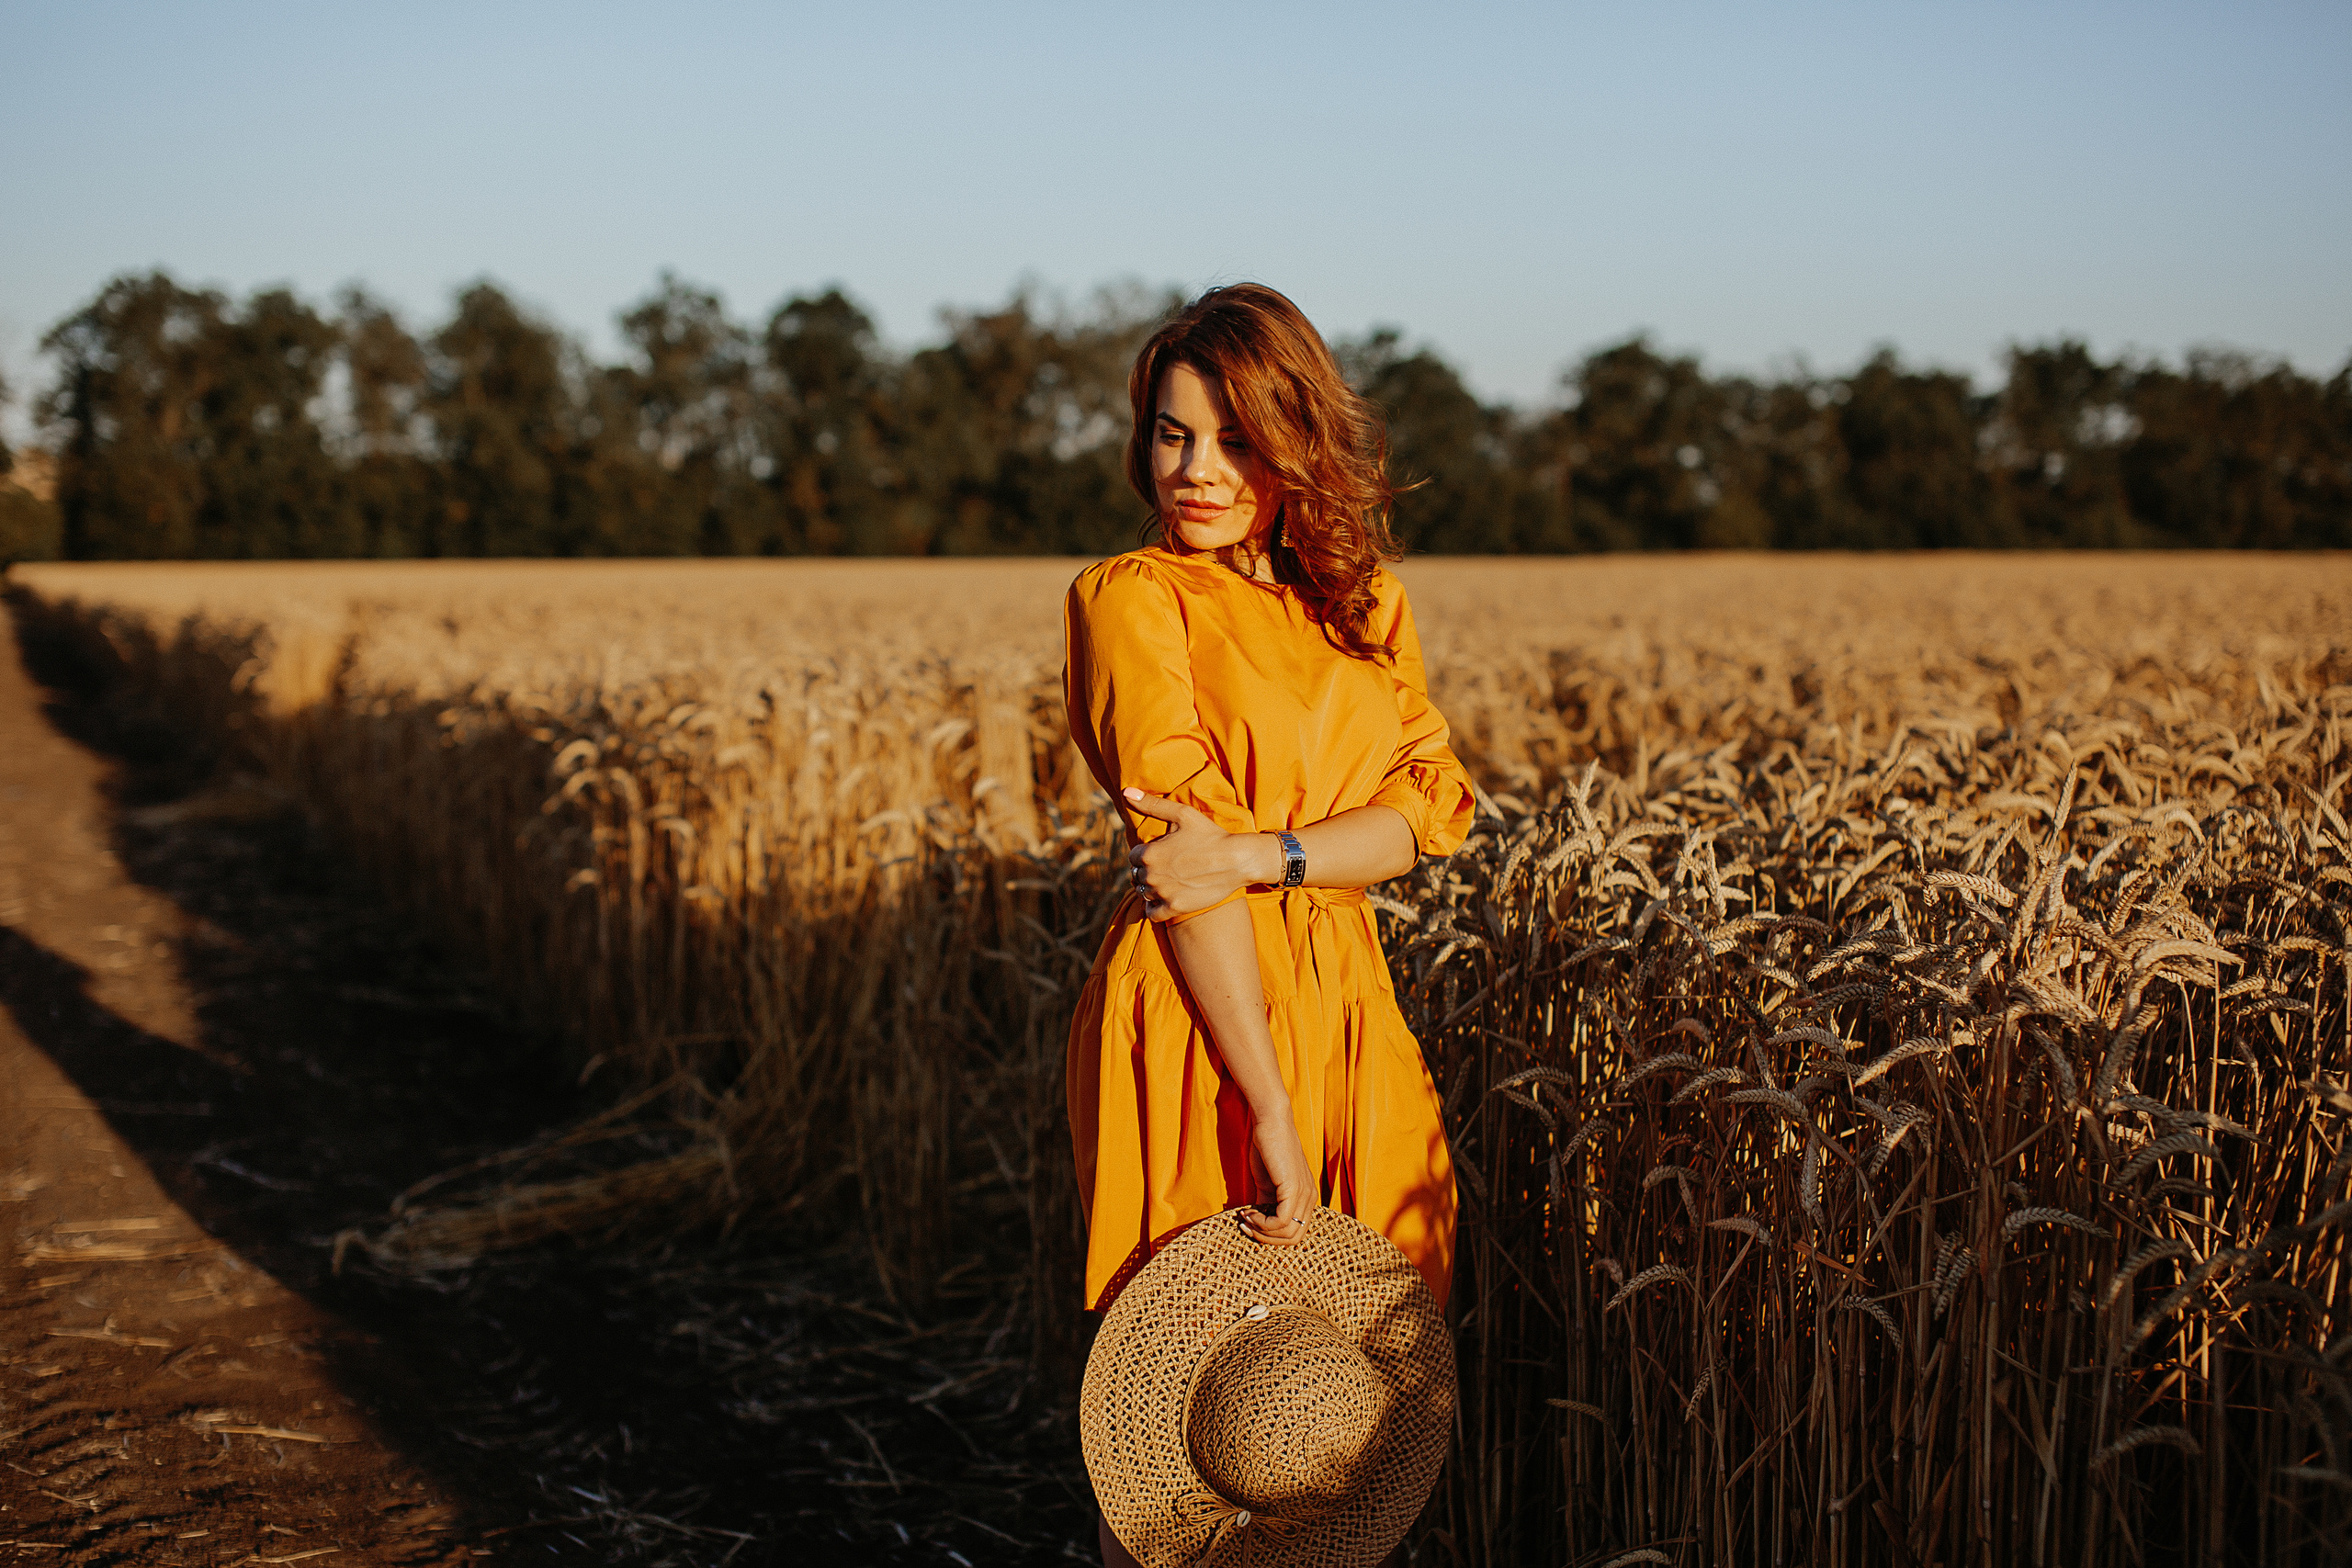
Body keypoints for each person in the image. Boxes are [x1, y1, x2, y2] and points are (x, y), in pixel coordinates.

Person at [1062, 283, 1476, 1568]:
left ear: (1296, 442)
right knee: (1210, 1379)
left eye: (1234, 439)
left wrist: (1263, 851)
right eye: (1172, 435)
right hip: (1202, 1011)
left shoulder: (1365, 608)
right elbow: (1183, 883)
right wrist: (1274, 1113)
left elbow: (1428, 812)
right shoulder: (1135, 598)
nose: (1194, 472)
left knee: (1374, 1356)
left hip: (1347, 995)